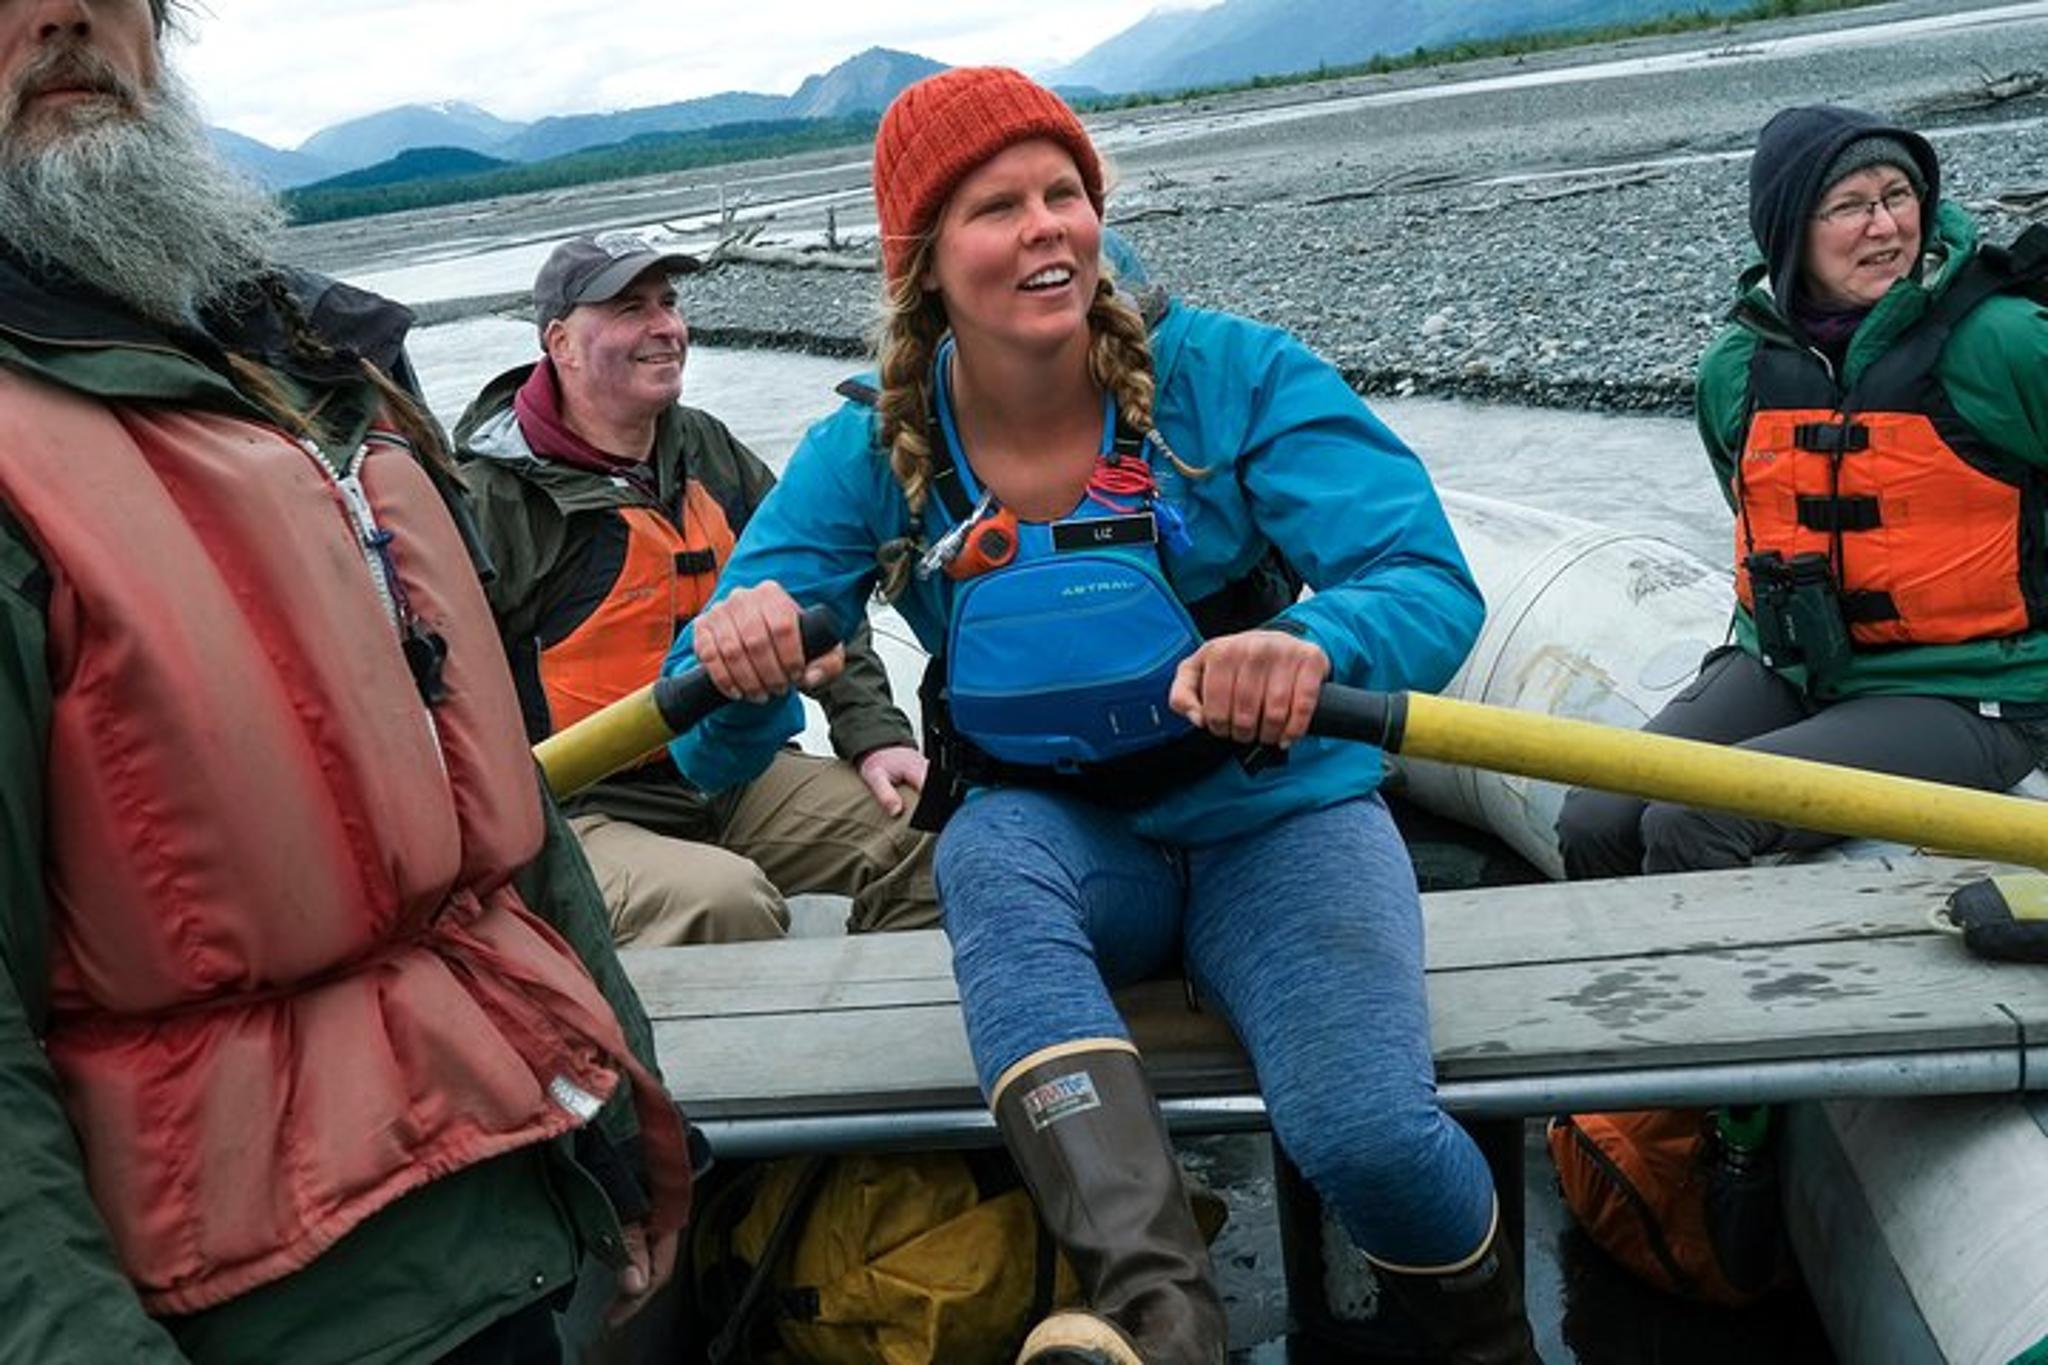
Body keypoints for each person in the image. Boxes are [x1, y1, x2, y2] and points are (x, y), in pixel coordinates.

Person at [668, 66, 1536, 1365]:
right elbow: (707, 745)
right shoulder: (868, 451)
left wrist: (1312, 639)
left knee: (1364, 1136)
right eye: (995, 206)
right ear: (922, 262)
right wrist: (731, 662)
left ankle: (1488, 1346)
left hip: (1278, 819)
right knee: (984, 853)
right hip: (1063, 839)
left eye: (1062, 192)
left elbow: (1426, 583)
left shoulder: (1232, 377)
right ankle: (1159, 1321)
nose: (1045, 227)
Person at [0, 2, 692, 1360]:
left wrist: (628, 1108)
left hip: (512, 1189)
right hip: (265, 1298)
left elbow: (500, 813)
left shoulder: (300, 365)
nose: (68, 12)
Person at [1555, 104, 2048, 878]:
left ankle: (1700, 1000)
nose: (1884, 227)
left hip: (1970, 690)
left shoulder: (2003, 342)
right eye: (1849, 207)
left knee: (1693, 819)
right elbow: (1749, 506)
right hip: (1793, 670)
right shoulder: (1736, 369)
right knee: (1594, 816)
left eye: (1898, 196)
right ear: (1789, 233)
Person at [454, 237, 937, 946]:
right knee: (721, 900)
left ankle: (862, 1033)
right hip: (580, 809)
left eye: (669, 304)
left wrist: (873, 735)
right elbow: (435, 696)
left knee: (932, 830)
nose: (666, 327)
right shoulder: (489, 501)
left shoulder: (708, 448)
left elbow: (822, 595)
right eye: (630, 309)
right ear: (560, 342)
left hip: (735, 775)